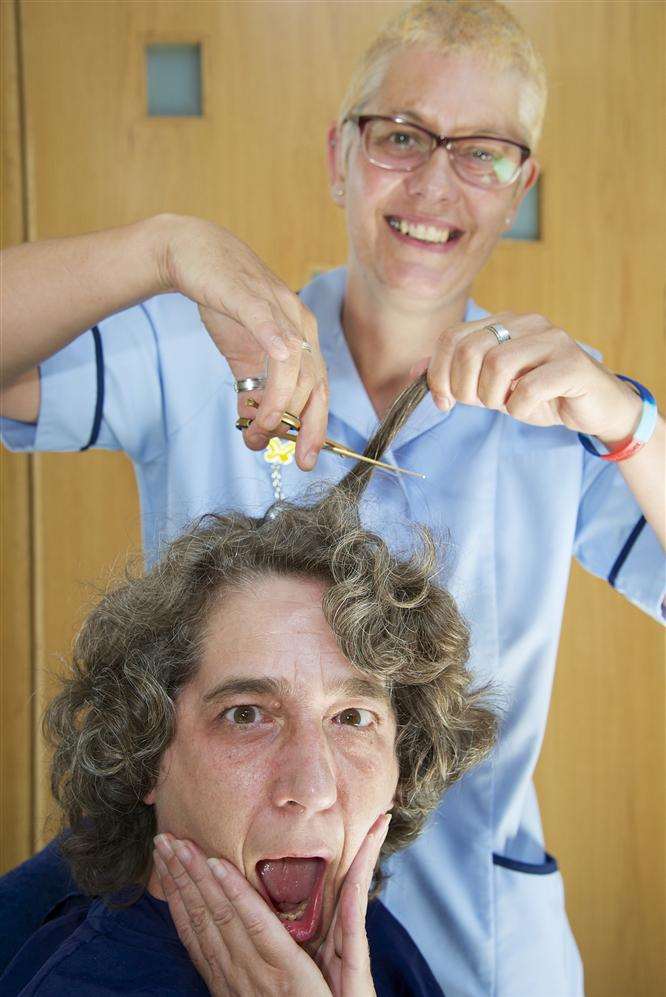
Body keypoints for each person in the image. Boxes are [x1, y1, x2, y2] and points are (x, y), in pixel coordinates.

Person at [0, 1, 663, 994]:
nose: (434, 183)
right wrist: (162, 249)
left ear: (521, 181)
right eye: (399, 137)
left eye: (482, 152)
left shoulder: (562, 406)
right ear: (339, 154)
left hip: (477, 949)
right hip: (215, 942)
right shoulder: (203, 345)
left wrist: (631, 426)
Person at [0, 395, 497, 995]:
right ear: (145, 753)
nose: (311, 789)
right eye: (246, 715)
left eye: (352, 717)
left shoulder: (371, 943)